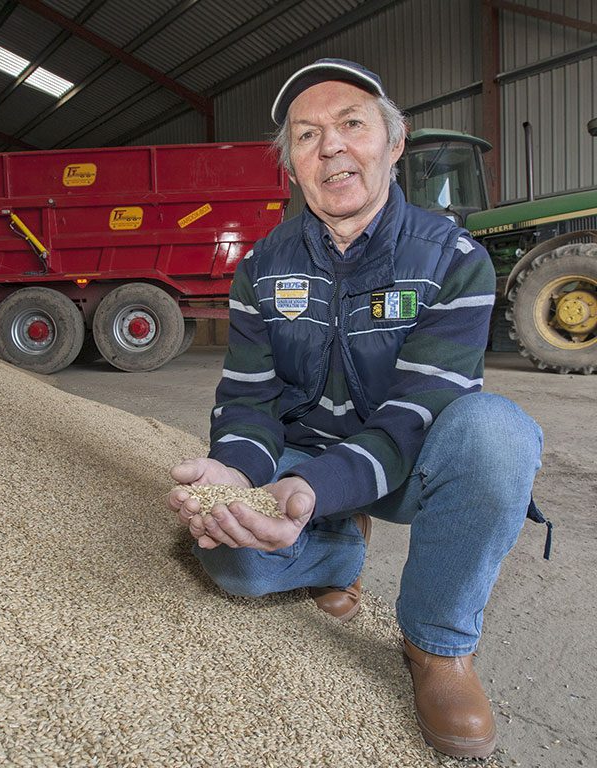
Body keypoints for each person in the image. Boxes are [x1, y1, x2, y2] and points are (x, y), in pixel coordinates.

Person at [167, 58, 545, 760]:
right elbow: (249, 400)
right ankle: (340, 550)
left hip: (406, 458)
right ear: (293, 168)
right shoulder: (260, 269)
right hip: (306, 450)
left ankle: (437, 647)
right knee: (234, 564)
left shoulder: (453, 259)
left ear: (393, 145)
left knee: (496, 436)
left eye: (350, 125)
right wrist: (233, 471)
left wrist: (312, 489)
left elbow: (416, 414)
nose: (331, 146)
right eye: (306, 136)